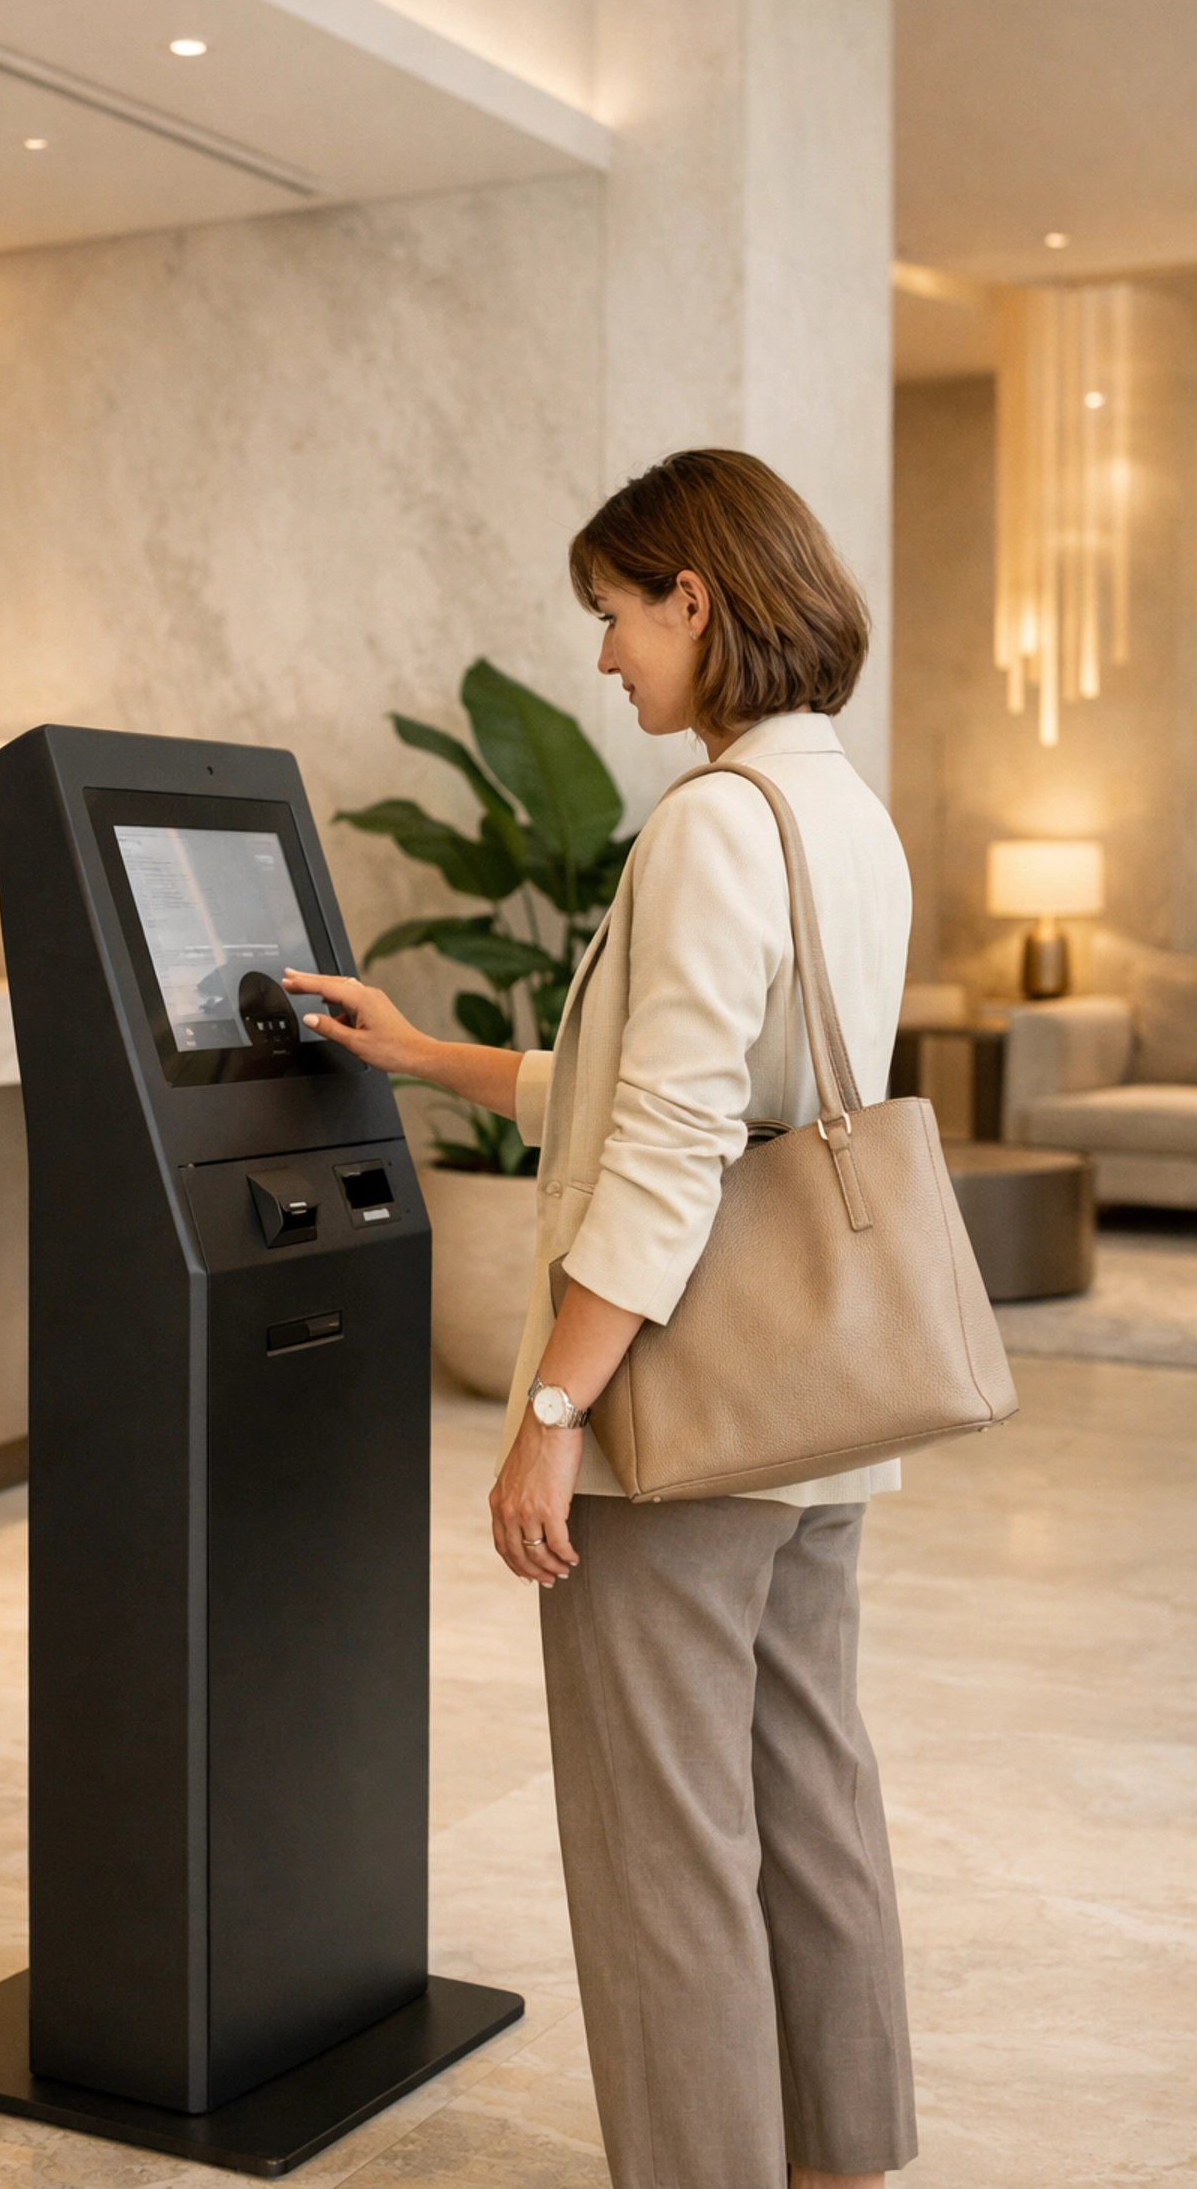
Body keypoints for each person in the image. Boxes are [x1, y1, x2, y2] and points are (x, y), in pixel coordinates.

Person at [284, 449, 917, 2189]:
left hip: (682, 1420)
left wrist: (552, 1417)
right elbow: (709, 1086)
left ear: (695, 600)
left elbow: (670, 1144)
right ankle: (840, 2160)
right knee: (808, 1796)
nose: (605, 656)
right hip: (814, 1405)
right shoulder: (842, 811)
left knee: (664, 1843)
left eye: (617, 613)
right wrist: (431, 1056)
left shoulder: (714, 820)